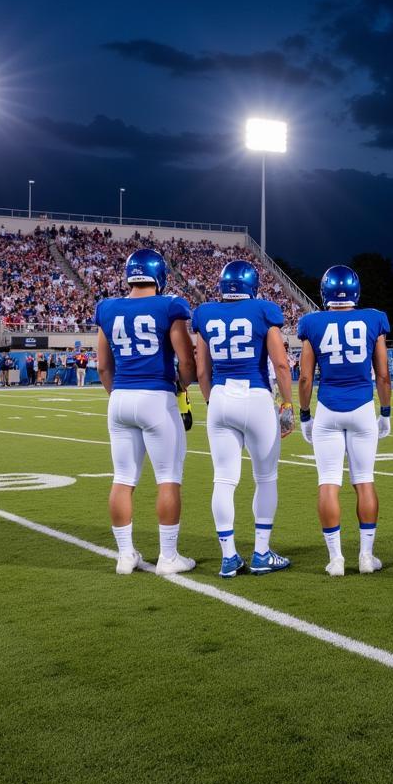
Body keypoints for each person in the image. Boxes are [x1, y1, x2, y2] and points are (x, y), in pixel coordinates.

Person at [95, 248, 196, 576]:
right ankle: (168, 557)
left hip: (120, 397)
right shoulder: (170, 305)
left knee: (122, 479)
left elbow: (102, 367)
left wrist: (119, 394)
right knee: (168, 478)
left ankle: (125, 555)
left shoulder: (107, 308)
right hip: (156, 397)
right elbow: (187, 362)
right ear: (159, 275)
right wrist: (181, 386)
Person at [192, 260, 295, 578]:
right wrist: (288, 404)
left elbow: (201, 371)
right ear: (252, 285)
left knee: (223, 479)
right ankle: (262, 552)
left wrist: (211, 401)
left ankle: (228, 557)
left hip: (221, 397)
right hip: (255, 398)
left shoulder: (205, 313)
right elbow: (280, 365)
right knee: (266, 478)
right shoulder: (264, 310)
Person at [297, 265, 391, 577]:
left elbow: (306, 377)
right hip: (363, 407)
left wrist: (305, 414)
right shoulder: (373, 318)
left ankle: (336, 558)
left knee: (328, 483)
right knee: (364, 481)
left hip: (328, 408)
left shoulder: (312, 322)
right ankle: (366, 556)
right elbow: (383, 375)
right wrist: (386, 412)